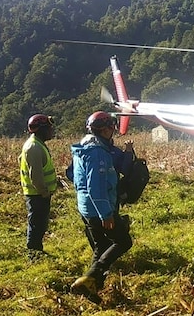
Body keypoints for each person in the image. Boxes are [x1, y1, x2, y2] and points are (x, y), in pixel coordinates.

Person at [70, 111, 132, 303]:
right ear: (104, 130)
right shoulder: (98, 153)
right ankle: (91, 278)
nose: (113, 131)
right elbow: (95, 187)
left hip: (86, 208)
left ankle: (91, 286)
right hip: (99, 210)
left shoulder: (85, 147)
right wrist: (106, 214)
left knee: (101, 246)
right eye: (111, 128)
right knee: (123, 241)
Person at [19, 114, 57, 256]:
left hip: (39, 193)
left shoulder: (37, 144)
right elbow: (35, 175)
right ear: (41, 130)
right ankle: (34, 253)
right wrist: (44, 191)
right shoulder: (34, 147)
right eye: (48, 128)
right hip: (37, 194)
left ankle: (37, 250)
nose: (51, 130)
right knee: (36, 224)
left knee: (40, 223)